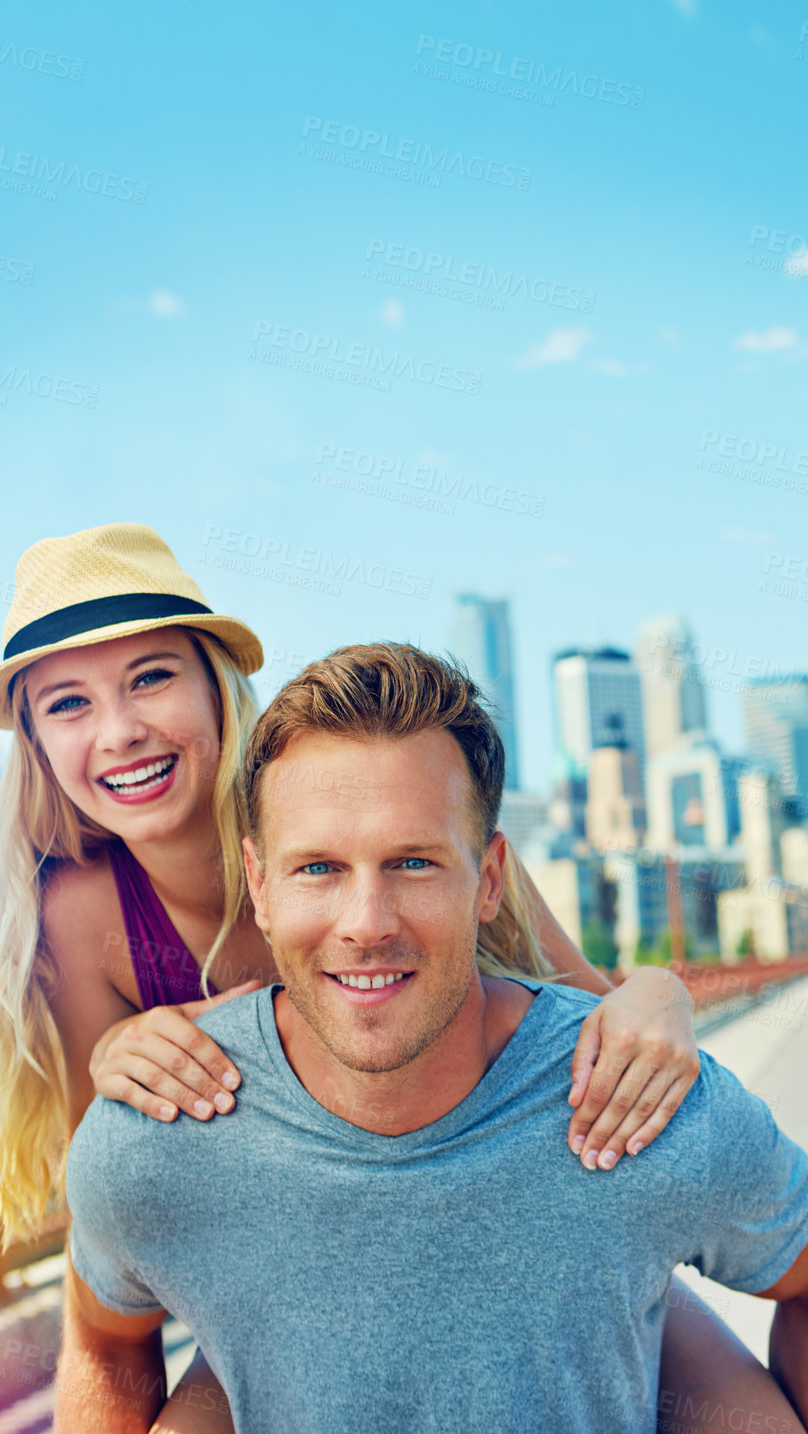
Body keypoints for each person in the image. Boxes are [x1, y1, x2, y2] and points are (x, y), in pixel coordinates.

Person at [58, 642, 808, 1433]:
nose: (366, 924)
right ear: (261, 886)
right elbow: (101, 1337)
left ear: (490, 882)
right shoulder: (146, 1119)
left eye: (413, 864)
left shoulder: (637, 1103)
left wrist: (660, 995)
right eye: (319, 869)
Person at [0, 524, 711, 1432]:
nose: (121, 730)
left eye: (151, 677)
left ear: (217, 685)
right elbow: (119, 1229)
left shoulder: (389, 810)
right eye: (67, 704)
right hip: (283, 1291)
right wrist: (121, 1064)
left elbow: (595, 1015)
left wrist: (661, 992)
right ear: (34, 740)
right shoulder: (80, 918)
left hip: (523, 1232)